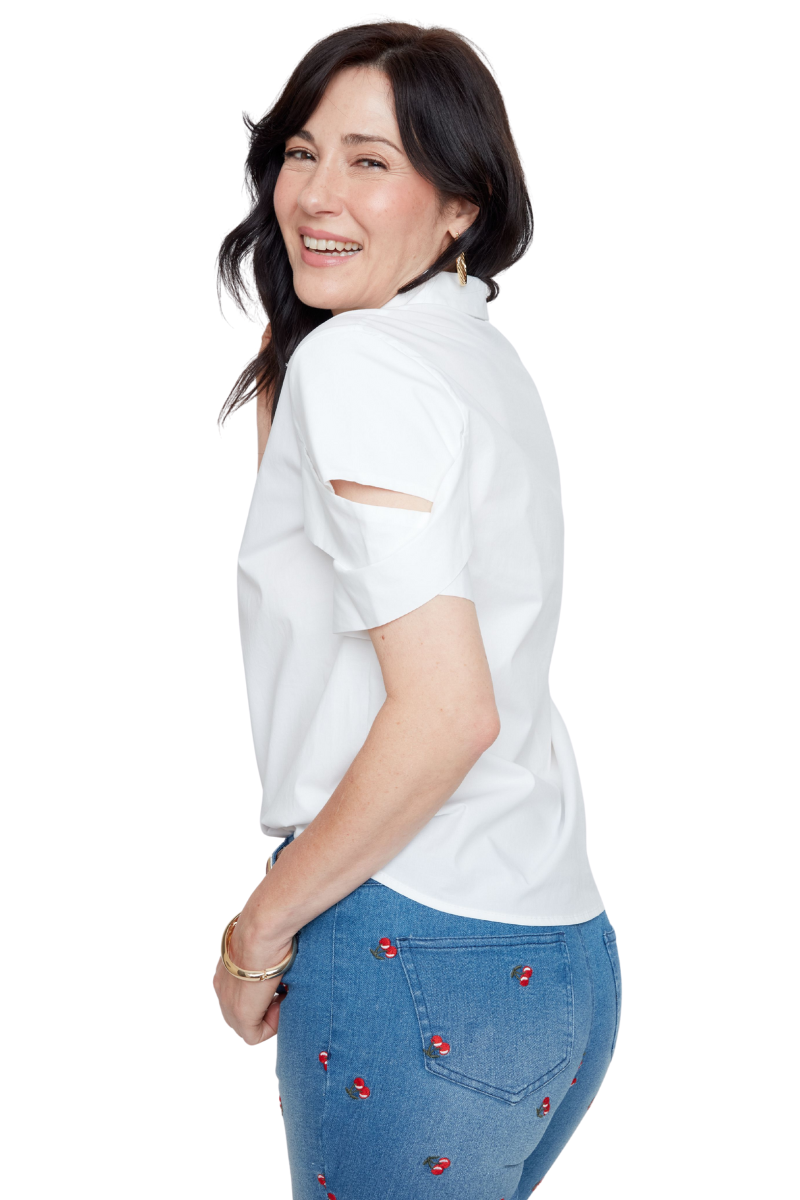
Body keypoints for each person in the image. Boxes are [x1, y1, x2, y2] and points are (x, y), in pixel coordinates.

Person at [213, 22, 621, 1200]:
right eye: (302, 152)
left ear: (459, 207)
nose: (316, 194)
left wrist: (255, 935)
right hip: (555, 952)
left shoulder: (361, 367)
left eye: (370, 161)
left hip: (410, 939)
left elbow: (447, 712)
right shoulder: (467, 353)